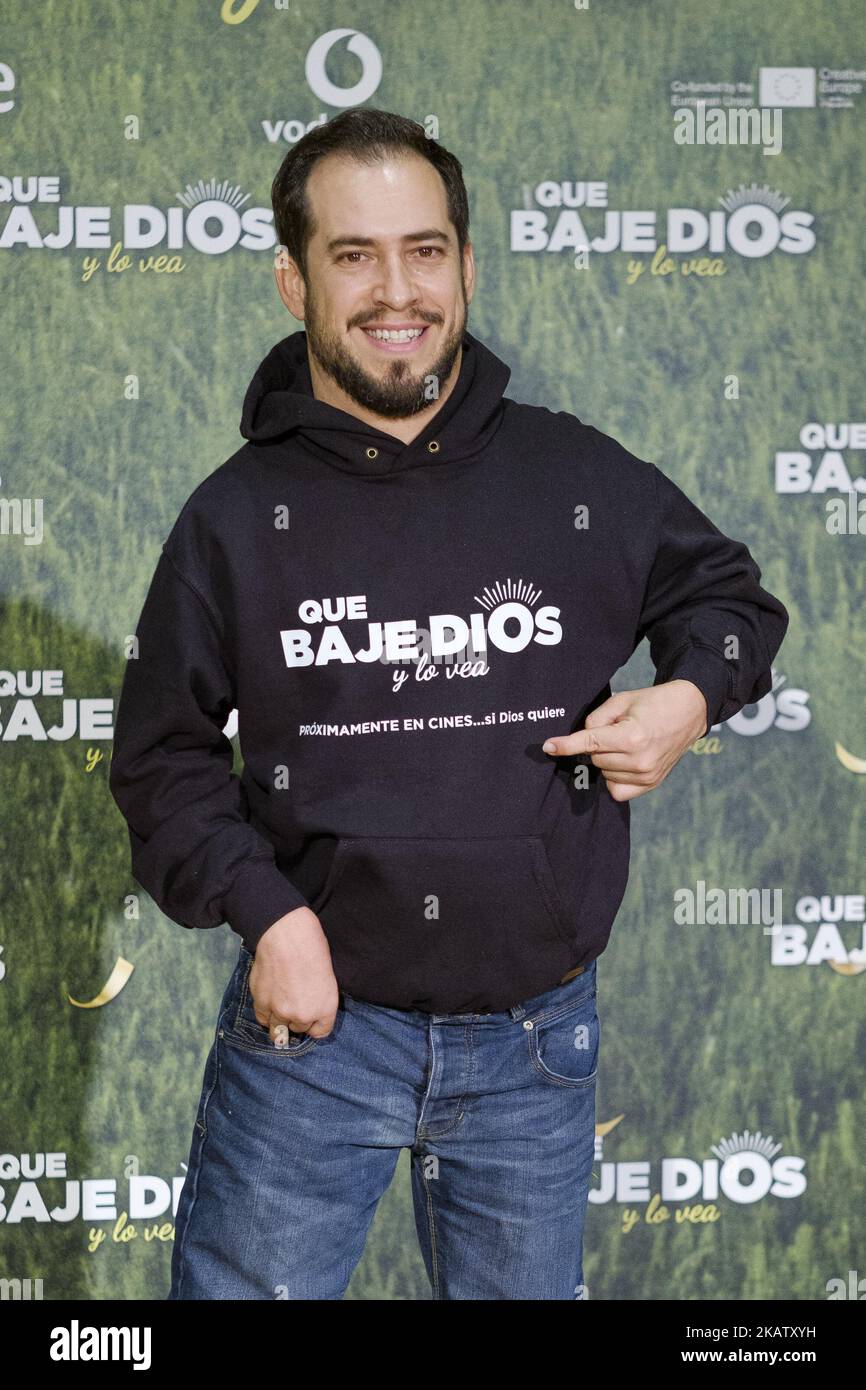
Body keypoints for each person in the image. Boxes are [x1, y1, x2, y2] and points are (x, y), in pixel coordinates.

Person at [108, 107, 789, 1300]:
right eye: (353, 255)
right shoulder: (234, 518)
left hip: (536, 1041)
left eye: (424, 250)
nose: (395, 291)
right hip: (315, 1040)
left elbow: (729, 598)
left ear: (467, 268)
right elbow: (160, 758)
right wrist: (269, 915)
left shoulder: (571, 474)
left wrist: (685, 697)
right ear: (291, 280)